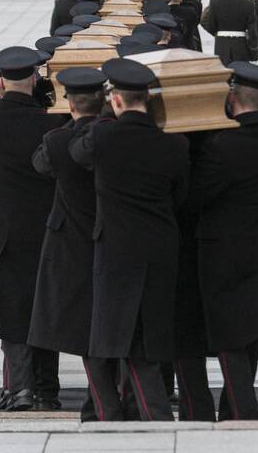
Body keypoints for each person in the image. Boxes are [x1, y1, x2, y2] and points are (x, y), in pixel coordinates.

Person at [69, 58, 189, 422]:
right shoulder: (175, 144)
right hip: (160, 248)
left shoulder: (103, 136)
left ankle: (139, 413)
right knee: (148, 335)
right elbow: (181, 196)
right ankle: (134, 409)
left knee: (114, 336)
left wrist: (98, 115)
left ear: (116, 99)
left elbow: (77, 153)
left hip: (116, 252)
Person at [174, 62, 258, 422]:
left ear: (231, 98)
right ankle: (234, 408)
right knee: (249, 327)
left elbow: (193, 195)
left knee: (224, 331)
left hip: (218, 247)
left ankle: (241, 410)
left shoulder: (222, 144)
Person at [0, 47, 64, 412]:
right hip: (49, 226)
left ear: (0, 82)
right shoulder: (53, 122)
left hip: (3, 228)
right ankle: (47, 390)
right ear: (36, 79)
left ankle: (20, 389)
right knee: (44, 307)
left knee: (13, 310)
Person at [27, 67, 109, 419]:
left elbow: (40, 165)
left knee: (70, 321)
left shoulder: (57, 140)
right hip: (110, 236)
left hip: (69, 241)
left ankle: (57, 393)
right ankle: (108, 394)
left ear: (69, 102)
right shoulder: (113, 136)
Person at [200, 0, 258, 64]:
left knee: (225, 74)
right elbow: (253, 32)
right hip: (241, 45)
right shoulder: (248, 3)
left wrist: (220, 34)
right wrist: (254, 51)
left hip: (221, 45)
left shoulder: (215, 1)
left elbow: (210, 25)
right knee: (241, 74)